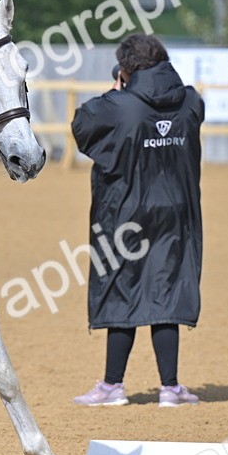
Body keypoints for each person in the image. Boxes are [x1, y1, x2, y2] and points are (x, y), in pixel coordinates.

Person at [69, 33, 204, 407]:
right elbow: (189, 108)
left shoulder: (117, 107)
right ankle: (170, 388)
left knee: (120, 288)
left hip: (125, 214)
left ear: (125, 70)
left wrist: (116, 91)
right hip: (176, 212)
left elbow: (82, 124)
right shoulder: (191, 101)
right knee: (167, 288)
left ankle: (113, 385)